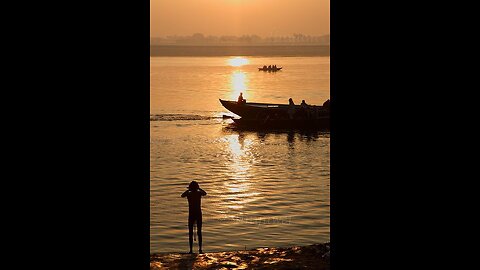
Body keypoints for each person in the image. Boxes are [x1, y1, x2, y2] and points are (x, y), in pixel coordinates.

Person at [181, 181, 207, 254]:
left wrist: (188, 190)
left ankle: (191, 250)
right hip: (198, 213)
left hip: (191, 214)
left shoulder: (189, 194)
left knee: (190, 232)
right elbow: (204, 193)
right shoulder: (199, 193)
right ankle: (200, 249)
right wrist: (199, 188)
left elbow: (182, 195)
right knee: (199, 232)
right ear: (197, 187)